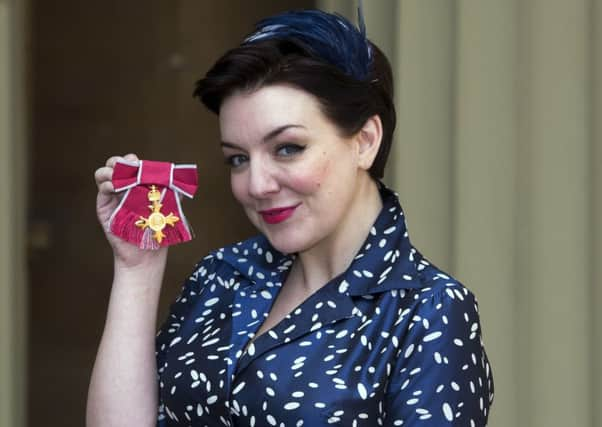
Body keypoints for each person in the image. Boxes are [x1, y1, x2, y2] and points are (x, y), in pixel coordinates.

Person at [87, 8, 494, 427]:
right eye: (238, 159)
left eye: (287, 148)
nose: (257, 184)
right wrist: (137, 267)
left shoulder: (428, 312)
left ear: (365, 141)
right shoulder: (220, 277)